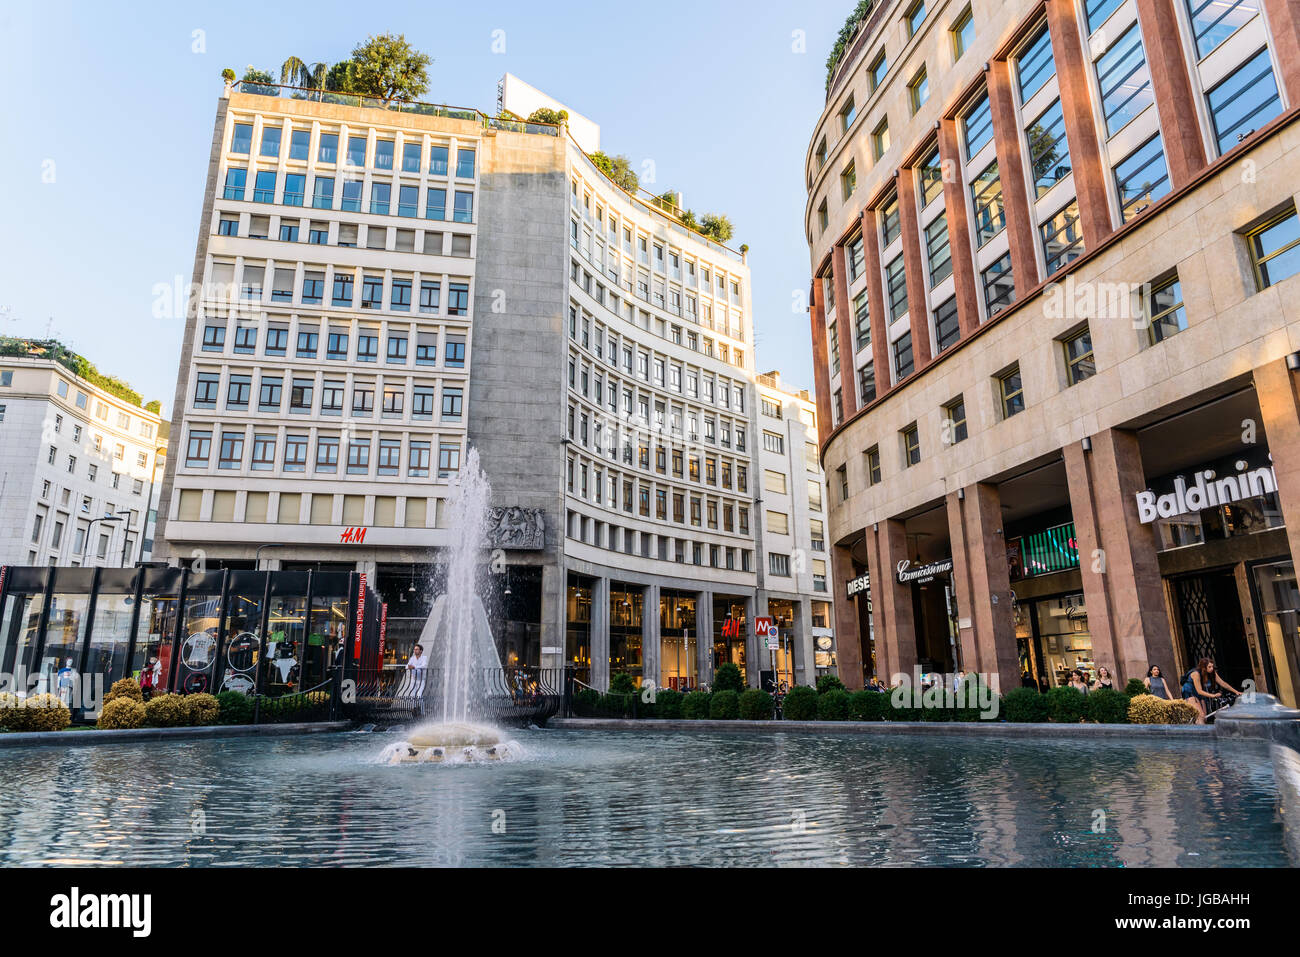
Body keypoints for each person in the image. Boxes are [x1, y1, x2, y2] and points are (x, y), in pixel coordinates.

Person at [1183, 658, 1241, 723]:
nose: (1212, 668)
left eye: (1212, 666)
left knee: (1205, 718)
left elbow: (1222, 683)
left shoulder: (1212, 673)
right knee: (1201, 716)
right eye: (1209, 667)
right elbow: (1199, 691)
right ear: (1204, 667)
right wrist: (1213, 695)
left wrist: (1236, 691)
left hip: (1200, 694)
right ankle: (1202, 732)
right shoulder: (1196, 674)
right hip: (1190, 693)